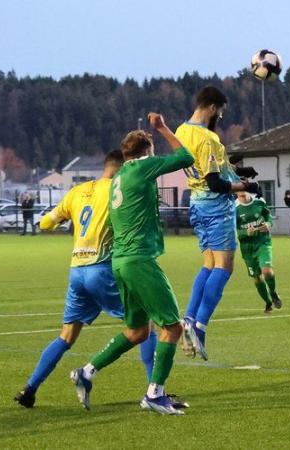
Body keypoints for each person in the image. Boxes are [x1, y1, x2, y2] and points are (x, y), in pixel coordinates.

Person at [14, 150, 165, 409]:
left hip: (77, 272)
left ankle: (29, 389)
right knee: (145, 326)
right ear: (122, 169)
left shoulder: (77, 191)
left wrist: (62, 219)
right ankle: (154, 389)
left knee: (66, 336)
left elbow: (45, 223)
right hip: (102, 269)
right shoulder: (119, 191)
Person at [70, 113, 195, 415]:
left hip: (121, 261)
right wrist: (164, 128)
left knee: (138, 331)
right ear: (146, 152)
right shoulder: (142, 167)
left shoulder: (117, 180)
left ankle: (87, 371)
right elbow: (186, 156)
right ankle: (155, 393)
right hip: (139, 260)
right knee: (172, 327)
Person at [175, 86, 260, 361]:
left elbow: (209, 167)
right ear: (212, 107)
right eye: (220, 111)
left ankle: (188, 319)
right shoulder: (207, 138)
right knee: (224, 267)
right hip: (215, 205)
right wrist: (244, 185)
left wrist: (238, 171)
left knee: (209, 264)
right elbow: (215, 182)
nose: (220, 117)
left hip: (196, 204)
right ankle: (198, 328)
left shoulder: (181, 131)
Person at [235, 190, 282, 313]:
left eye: (244, 195)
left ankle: (273, 293)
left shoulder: (259, 201)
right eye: (239, 196)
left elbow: (268, 217)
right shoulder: (234, 208)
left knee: (267, 271)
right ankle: (268, 302)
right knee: (257, 278)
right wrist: (245, 232)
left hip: (263, 242)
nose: (242, 198)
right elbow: (232, 230)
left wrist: (268, 224)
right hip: (247, 248)